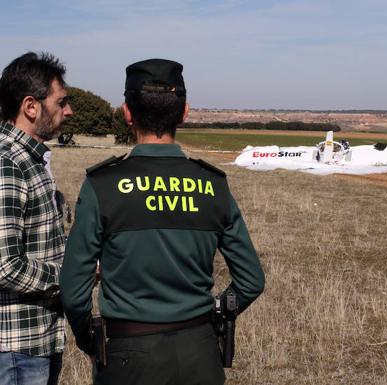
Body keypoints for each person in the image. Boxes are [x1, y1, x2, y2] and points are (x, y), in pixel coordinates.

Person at [59, 58, 265, 385]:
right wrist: (216, 317)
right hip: (200, 353)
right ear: (184, 112)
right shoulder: (213, 184)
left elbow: (72, 290)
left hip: (127, 357)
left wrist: (92, 341)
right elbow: (252, 280)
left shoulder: (102, 185)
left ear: (127, 112)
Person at [0, 52, 73, 385]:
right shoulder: (8, 163)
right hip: (15, 350)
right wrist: (72, 275)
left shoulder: (32, 161)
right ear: (31, 106)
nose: (68, 111)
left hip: (37, 341)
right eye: (61, 102)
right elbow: (5, 266)